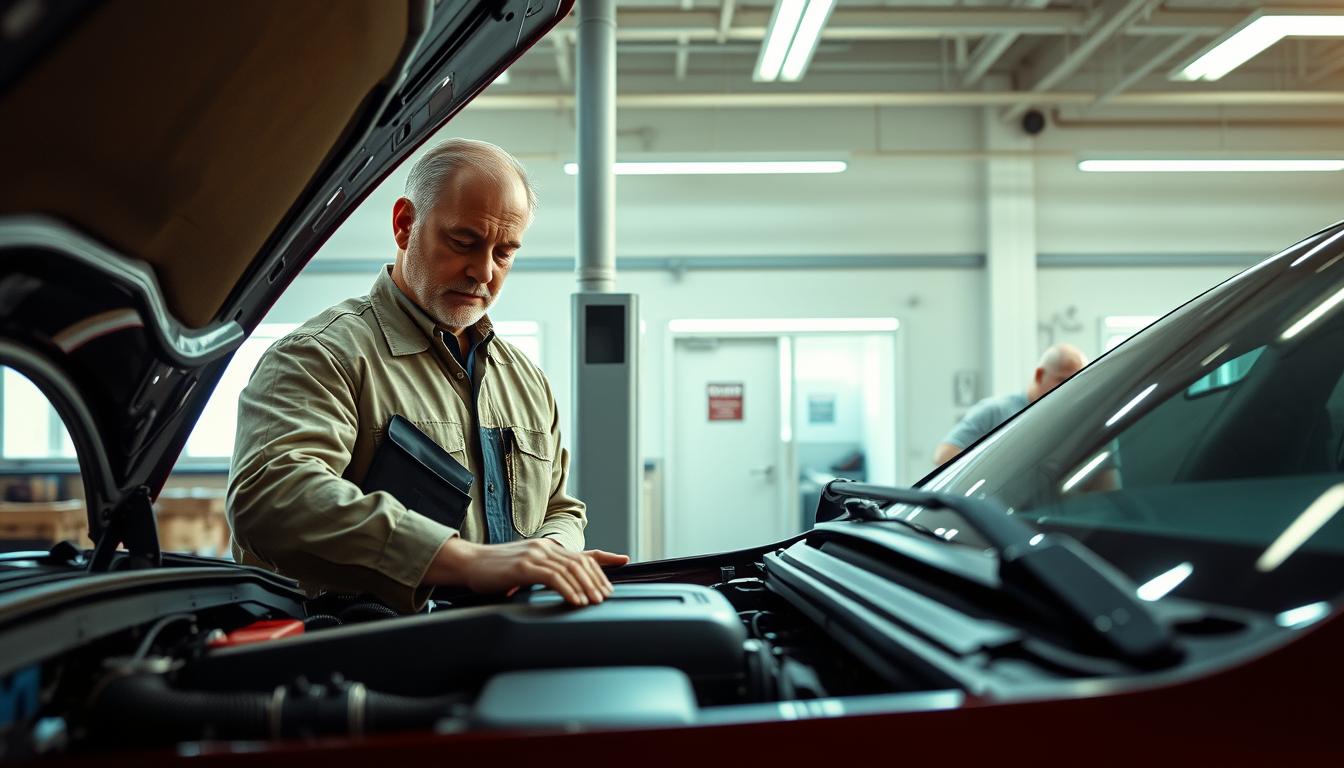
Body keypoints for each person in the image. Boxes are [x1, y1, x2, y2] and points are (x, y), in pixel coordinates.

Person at [227, 138, 627, 613]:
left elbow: (561, 508)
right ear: (404, 224)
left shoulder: (526, 381)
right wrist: (464, 560)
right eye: (464, 242)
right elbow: (272, 496)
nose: (482, 271)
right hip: (362, 660)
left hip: (508, 647)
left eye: (504, 253)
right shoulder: (320, 356)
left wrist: (553, 555)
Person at [933, 343, 1088, 466]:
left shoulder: (1074, 419)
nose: (1070, 388)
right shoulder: (995, 411)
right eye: (1063, 380)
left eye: (1077, 381)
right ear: (1039, 375)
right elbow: (944, 455)